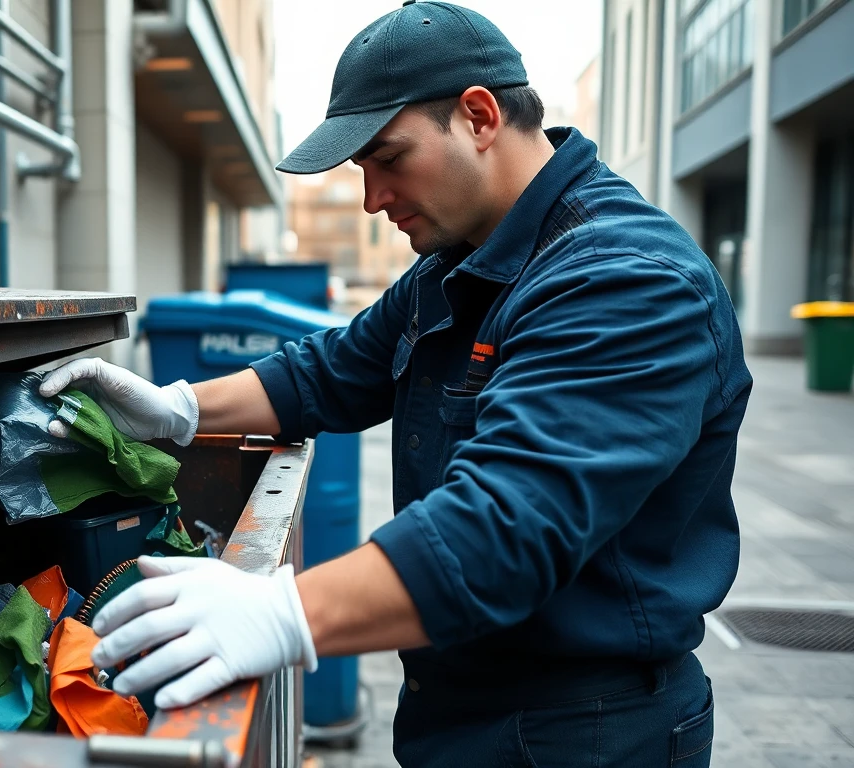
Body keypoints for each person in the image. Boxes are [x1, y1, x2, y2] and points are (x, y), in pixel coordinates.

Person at [39, 2, 752, 764]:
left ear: (478, 115)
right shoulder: (457, 263)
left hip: (588, 729)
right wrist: (176, 409)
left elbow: (507, 528)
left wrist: (285, 615)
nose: (374, 198)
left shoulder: (623, 281)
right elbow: (332, 369)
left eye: (389, 157)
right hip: (464, 701)